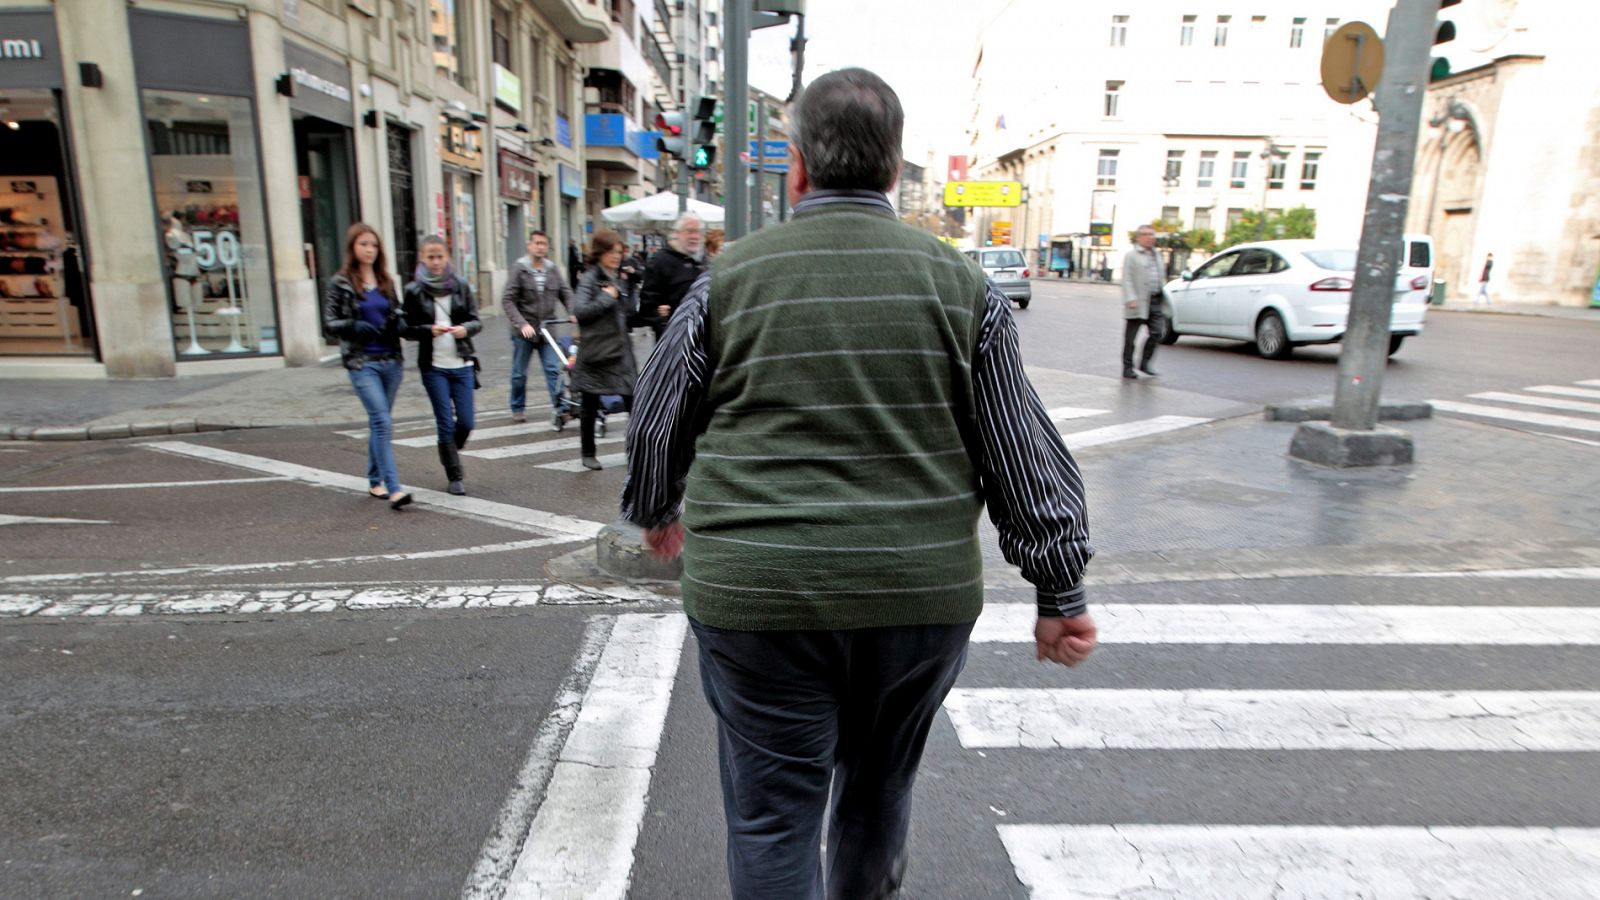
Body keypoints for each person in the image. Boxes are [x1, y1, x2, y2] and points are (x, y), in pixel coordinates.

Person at [621, 68, 1095, 900]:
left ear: (797, 167)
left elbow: (658, 418)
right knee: (878, 797)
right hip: (916, 597)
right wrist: (1060, 590)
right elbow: (1019, 447)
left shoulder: (727, 282)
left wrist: (658, 510)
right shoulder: (964, 288)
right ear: (893, 167)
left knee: (773, 818)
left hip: (762, 597)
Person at [322, 223, 412, 510]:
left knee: (379, 422)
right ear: (353, 248)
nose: (369, 249)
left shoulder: (386, 280)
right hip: (363, 363)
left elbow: (399, 313)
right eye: (363, 244)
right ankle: (394, 488)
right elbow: (329, 323)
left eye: (373, 244)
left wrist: (398, 321)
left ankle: (374, 480)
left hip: (391, 363)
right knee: (383, 421)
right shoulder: (341, 282)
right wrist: (354, 326)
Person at [402, 235, 481, 496]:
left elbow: (475, 320)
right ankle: (454, 474)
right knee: (445, 421)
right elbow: (405, 328)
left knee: (467, 422)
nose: (435, 262)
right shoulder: (414, 290)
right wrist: (428, 330)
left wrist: (465, 329)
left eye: (440, 256)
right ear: (422, 259)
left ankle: (449, 449)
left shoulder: (460, 285)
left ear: (447, 258)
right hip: (433, 365)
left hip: (462, 363)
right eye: (430, 257)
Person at [572, 229, 639, 471]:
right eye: (611, 252)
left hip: (620, 351)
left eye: (619, 252)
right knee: (590, 404)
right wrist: (606, 298)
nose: (616, 256)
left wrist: (630, 289)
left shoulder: (618, 277)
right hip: (598, 351)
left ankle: (635, 451)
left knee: (634, 402)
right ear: (600, 253)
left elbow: (629, 312)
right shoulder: (590, 279)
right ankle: (588, 452)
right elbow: (579, 311)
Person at [502, 230, 575, 429]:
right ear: (530, 245)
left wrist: (572, 312)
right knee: (519, 373)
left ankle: (560, 408)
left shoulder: (552, 269)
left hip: (547, 330)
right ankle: (518, 408)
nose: (540, 247)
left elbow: (565, 292)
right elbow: (508, 300)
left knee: (553, 369)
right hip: (524, 331)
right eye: (537, 243)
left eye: (543, 243)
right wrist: (521, 323)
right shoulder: (520, 268)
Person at [639, 213, 708, 339]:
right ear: (677, 233)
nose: (695, 236)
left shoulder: (703, 261)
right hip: (674, 339)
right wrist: (662, 318)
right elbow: (647, 304)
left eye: (698, 232)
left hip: (702, 337)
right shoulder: (660, 261)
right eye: (690, 231)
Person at [1120, 224, 1166, 379]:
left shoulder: (1157, 255)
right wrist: (1130, 298)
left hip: (1155, 300)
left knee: (1157, 332)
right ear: (1139, 237)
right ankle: (1127, 368)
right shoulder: (1132, 255)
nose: (1150, 237)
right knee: (1131, 338)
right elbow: (1126, 279)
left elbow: (1160, 277)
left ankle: (1144, 363)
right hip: (1137, 301)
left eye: (1152, 234)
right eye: (1146, 234)